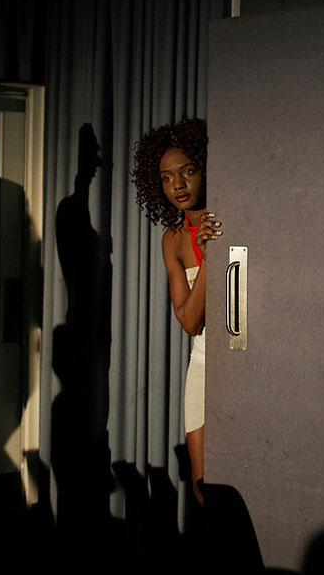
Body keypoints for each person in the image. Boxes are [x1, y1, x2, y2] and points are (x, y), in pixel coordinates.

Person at [132, 117, 221, 507]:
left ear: (206, 167)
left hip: (247, 361)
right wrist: (208, 259)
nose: (178, 186)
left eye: (187, 171)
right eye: (167, 178)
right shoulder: (172, 240)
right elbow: (189, 321)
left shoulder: (238, 217)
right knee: (203, 488)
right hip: (203, 364)